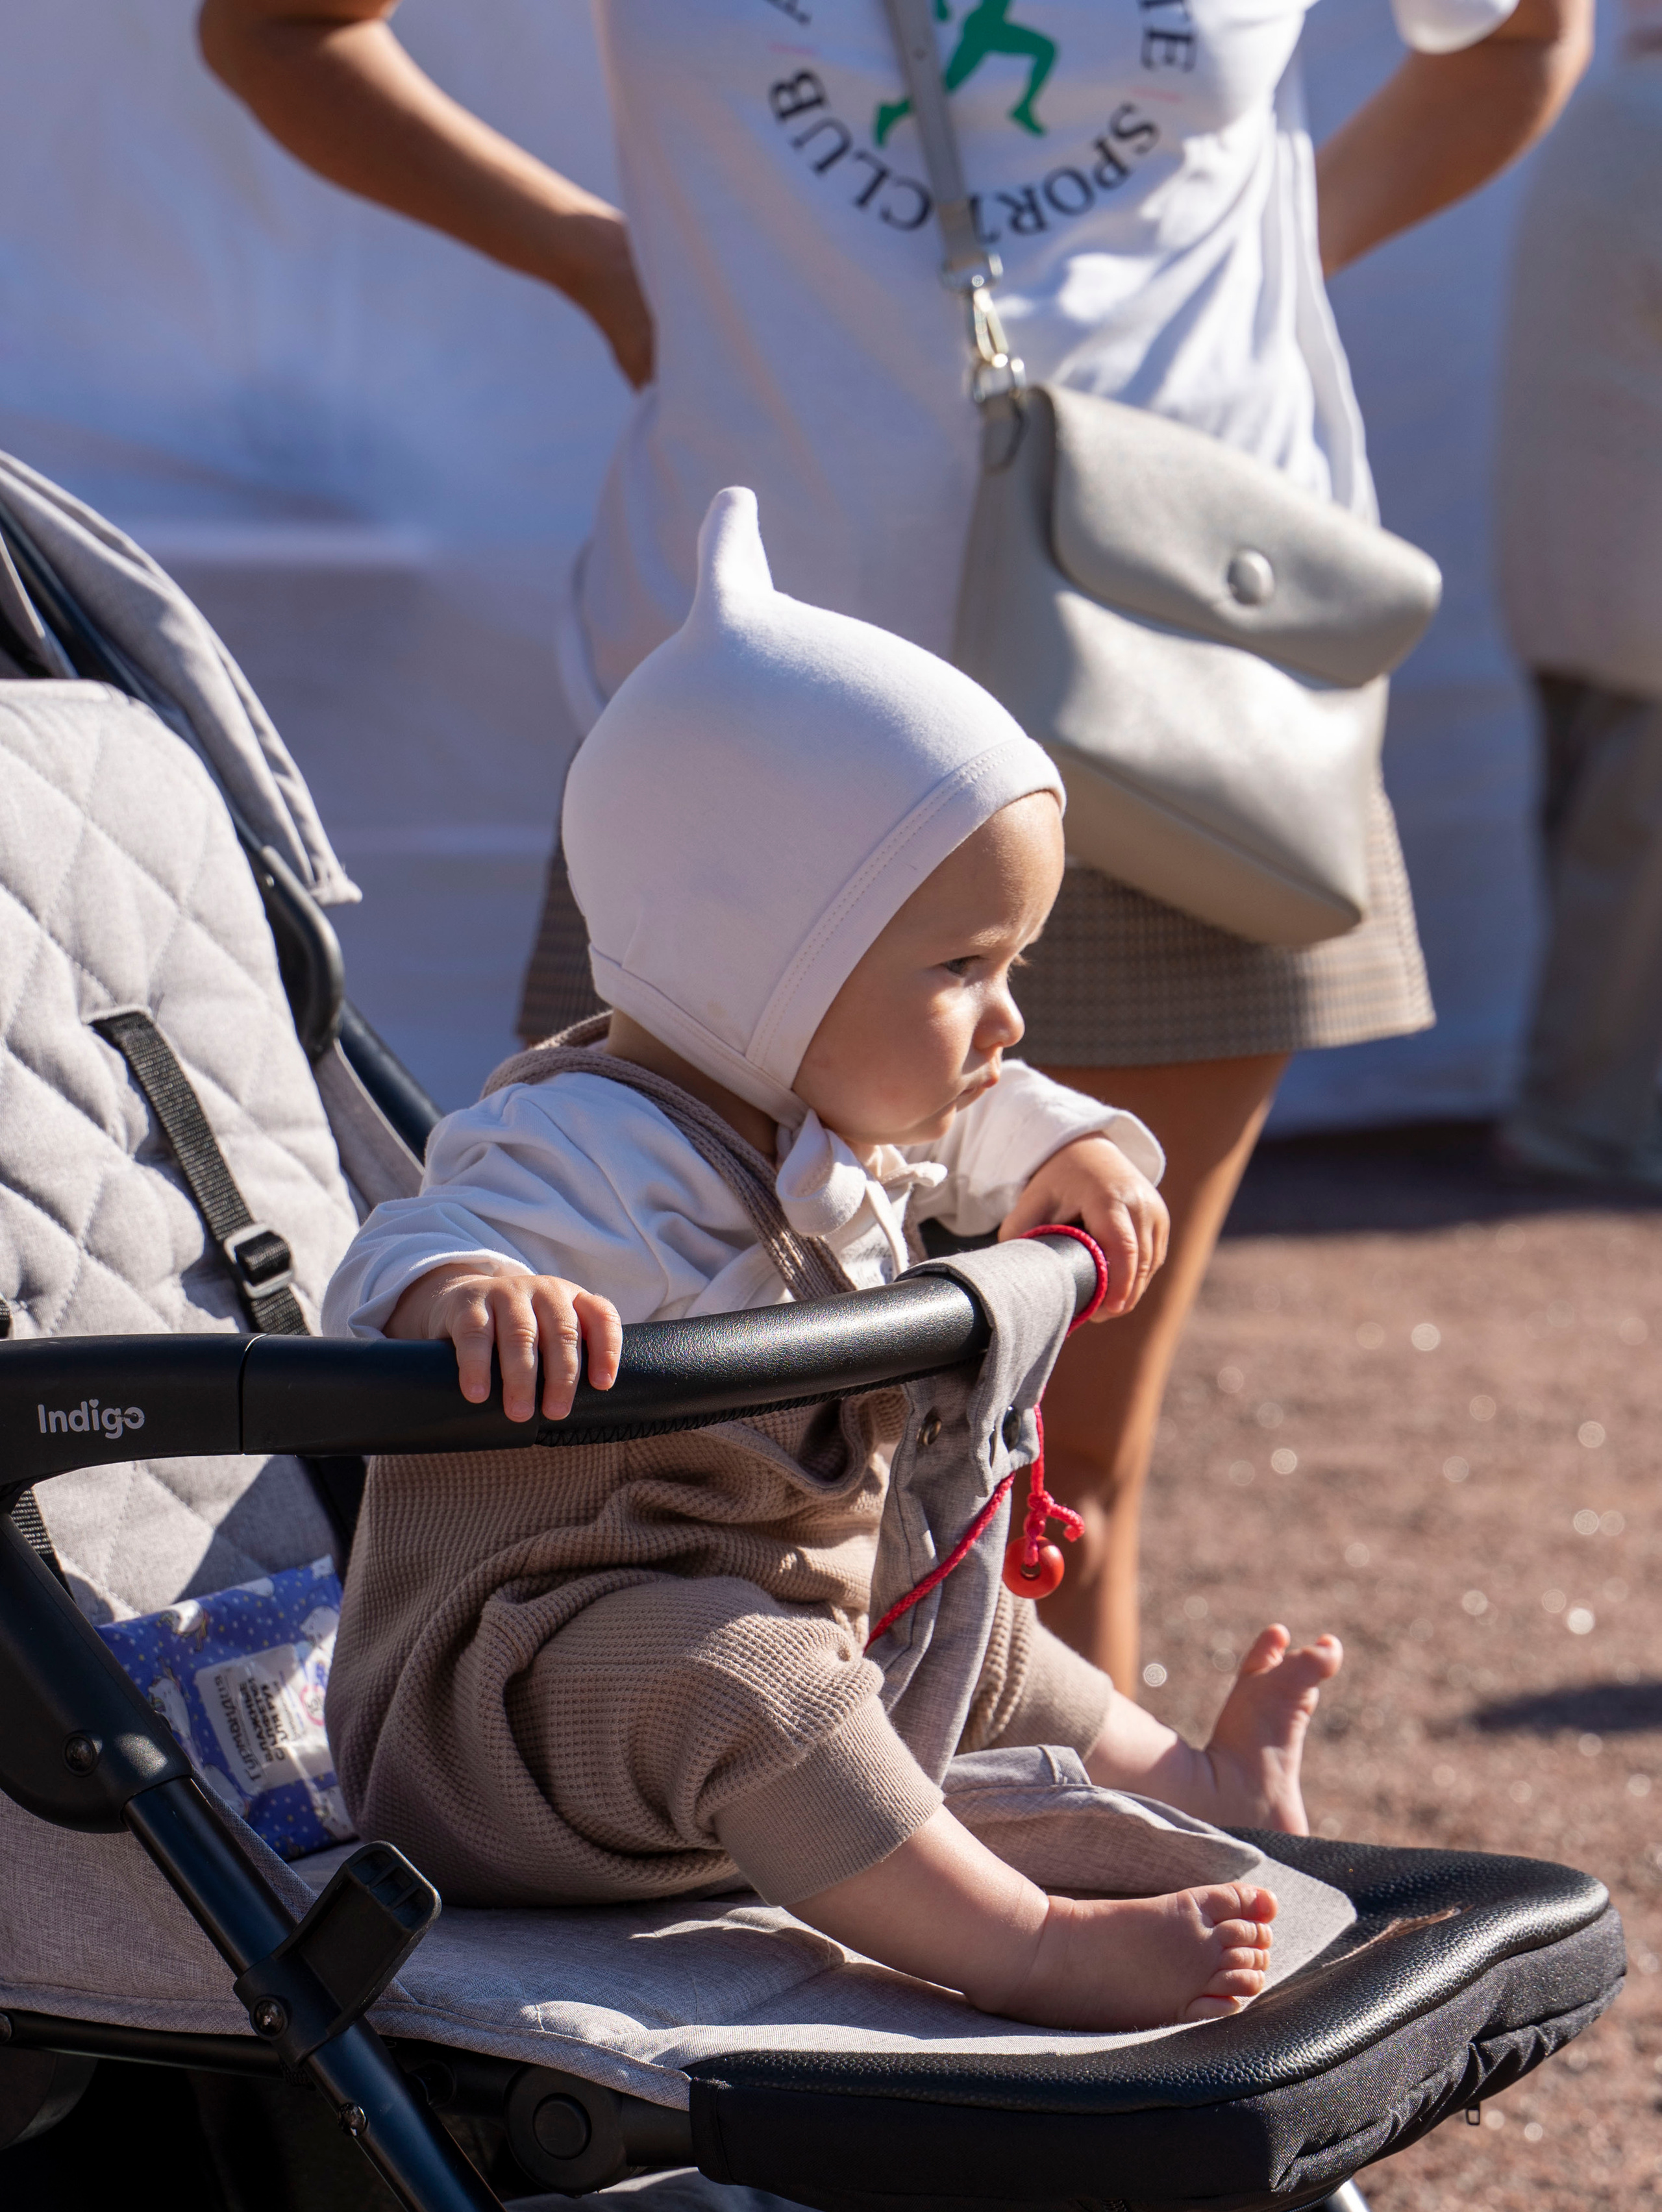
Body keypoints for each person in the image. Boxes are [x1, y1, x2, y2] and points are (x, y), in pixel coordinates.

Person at [201, 0, 1590, 1693]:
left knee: (1061, 1473)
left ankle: (1076, 1928)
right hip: (741, 761)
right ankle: (733, 1922)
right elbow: (278, 28)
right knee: (669, 1464)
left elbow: (1522, 34)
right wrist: (594, 260)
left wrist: (1278, 259)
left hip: (1190, 713)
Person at [320, 491, 1342, 2033]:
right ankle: (1027, 1948)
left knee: (964, 1624)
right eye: (961, 969)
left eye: (1012, 969)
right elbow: (404, 1243)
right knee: (757, 1683)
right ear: (756, 956)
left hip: (764, 1614)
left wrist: (1075, 1159)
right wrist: (468, 1296)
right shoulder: (588, 1149)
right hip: (522, 1713)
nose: (1002, 1022)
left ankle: (1198, 1785)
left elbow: (996, 1113)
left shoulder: (843, 1105)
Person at [1492, 0, 1662, 1194]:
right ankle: (1583, 1126)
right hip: (1636, 584)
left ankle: (1586, 1112)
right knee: (1627, 879)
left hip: (1584, 571)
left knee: (1604, 862)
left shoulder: (1611, 106)